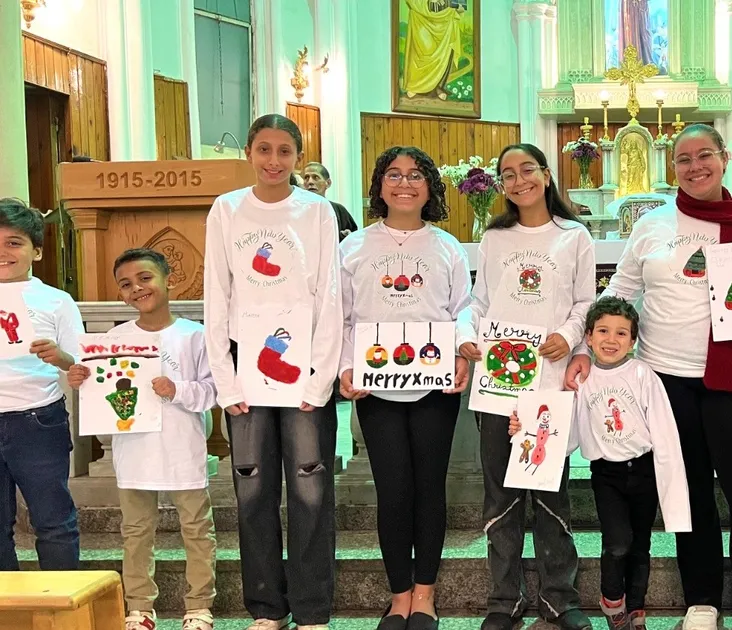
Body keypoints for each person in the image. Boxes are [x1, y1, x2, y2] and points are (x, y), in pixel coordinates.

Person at [566, 124, 732, 630]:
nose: (695, 166)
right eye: (683, 159)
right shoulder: (651, 226)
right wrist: (588, 346)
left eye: (704, 155)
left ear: (724, 158)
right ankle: (701, 600)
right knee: (688, 488)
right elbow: (622, 292)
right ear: (671, 165)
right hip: (667, 378)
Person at [203, 114, 342, 630]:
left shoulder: (317, 211)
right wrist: (225, 379)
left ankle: (311, 608)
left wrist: (320, 378)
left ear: (298, 157)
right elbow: (217, 294)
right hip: (247, 366)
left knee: (310, 491)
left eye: (285, 151)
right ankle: (266, 607)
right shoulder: (227, 209)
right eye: (264, 149)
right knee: (253, 490)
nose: (274, 160)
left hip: (303, 364)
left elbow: (329, 295)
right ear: (249, 153)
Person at [457, 143, 596, 630]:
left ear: (546, 174)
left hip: (548, 381)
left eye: (527, 170)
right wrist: (466, 334)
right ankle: (504, 601)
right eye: (508, 174)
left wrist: (570, 336)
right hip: (499, 381)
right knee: (501, 494)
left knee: (550, 491)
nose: (519, 180)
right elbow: (479, 301)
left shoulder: (573, 236)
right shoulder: (494, 238)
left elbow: (585, 301)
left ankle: (560, 598)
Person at [338, 146, 472, 630]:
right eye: (393, 175)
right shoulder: (353, 247)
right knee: (393, 491)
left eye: (415, 175)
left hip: (434, 385)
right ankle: (399, 596)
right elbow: (341, 317)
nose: (404, 184)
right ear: (379, 185)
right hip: (376, 386)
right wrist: (345, 366)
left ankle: (425, 594)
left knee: (429, 488)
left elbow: (463, 309)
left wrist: (461, 354)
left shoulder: (447, 247)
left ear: (429, 187)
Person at [512, 296, 690, 630]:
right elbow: (565, 428)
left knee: (640, 545)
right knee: (618, 542)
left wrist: (671, 487)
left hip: (644, 470)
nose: (611, 339)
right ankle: (611, 599)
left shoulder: (643, 375)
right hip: (607, 474)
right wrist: (524, 430)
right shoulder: (582, 379)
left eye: (622, 333)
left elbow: (665, 431)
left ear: (633, 340)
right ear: (589, 338)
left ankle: (636, 608)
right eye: (603, 331)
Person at [67, 248, 218, 630]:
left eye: (145, 278)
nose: (137, 288)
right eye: (126, 284)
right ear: (121, 294)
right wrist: (83, 380)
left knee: (197, 530)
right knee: (135, 532)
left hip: (183, 448)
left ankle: (199, 605)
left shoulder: (195, 336)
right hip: (134, 451)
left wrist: (177, 389)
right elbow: (101, 392)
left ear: (169, 280)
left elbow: (213, 392)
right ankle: (139, 608)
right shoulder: (113, 340)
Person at [0, 198, 81, 572]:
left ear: (37, 250)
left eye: (13, 243)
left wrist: (59, 356)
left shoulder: (56, 301)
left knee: (53, 522)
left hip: (38, 419)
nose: (3, 252)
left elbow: (81, 364)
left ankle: (61, 602)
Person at [402, 0, 469, 100]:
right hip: (421, 19)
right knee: (422, 50)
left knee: (444, 53)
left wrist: (457, 8)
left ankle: (438, 87)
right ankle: (415, 86)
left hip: (444, 19)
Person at [302, 162, 360, 242]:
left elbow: (354, 238)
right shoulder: (297, 210)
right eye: (306, 178)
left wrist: (347, 237)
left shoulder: (339, 210)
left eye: (316, 177)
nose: (310, 182)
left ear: (328, 183)